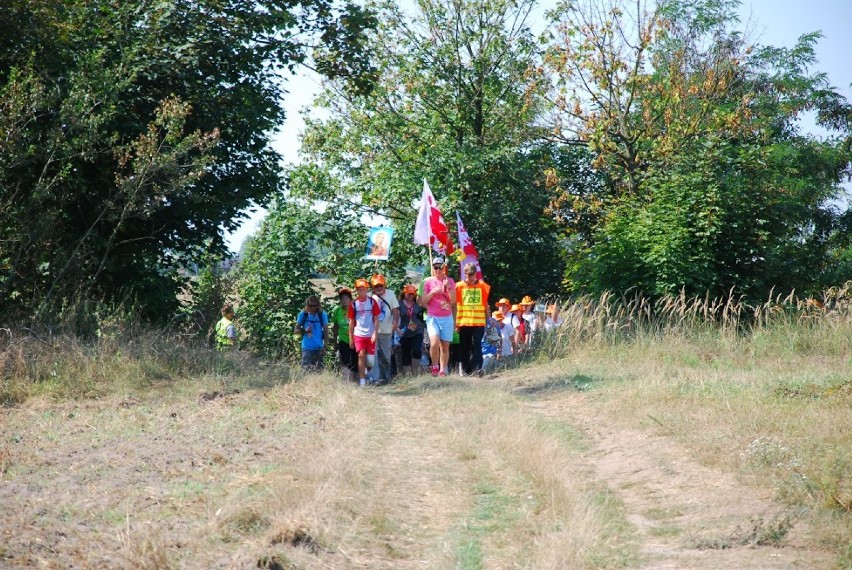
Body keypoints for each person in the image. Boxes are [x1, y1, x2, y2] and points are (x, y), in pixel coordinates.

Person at [419, 256, 456, 376]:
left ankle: (443, 369)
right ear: (433, 268)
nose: (438, 270)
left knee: (445, 346)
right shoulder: (428, 282)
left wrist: (449, 288)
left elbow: (454, 301)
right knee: (434, 343)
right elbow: (423, 302)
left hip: (446, 316)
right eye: (436, 268)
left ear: (444, 268)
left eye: (440, 267)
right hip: (433, 316)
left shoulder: (450, 281)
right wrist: (433, 292)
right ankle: (434, 366)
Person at [455, 262, 490, 375]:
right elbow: (455, 305)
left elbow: (485, 304)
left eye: (472, 274)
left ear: (476, 273)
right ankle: (466, 370)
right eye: (468, 275)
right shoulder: (459, 286)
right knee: (465, 346)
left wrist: (489, 320)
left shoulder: (483, 286)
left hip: (479, 322)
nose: (470, 277)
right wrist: (456, 323)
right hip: (464, 322)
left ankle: (477, 369)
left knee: (477, 345)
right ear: (464, 274)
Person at [349, 278, 381, 386]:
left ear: (367, 290)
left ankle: (367, 372)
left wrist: (375, 333)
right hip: (358, 334)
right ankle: (362, 381)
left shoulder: (372, 302)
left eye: (364, 290)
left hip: (370, 333)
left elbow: (376, 318)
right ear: (357, 291)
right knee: (361, 355)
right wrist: (350, 337)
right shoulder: (354, 304)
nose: (362, 292)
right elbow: (351, 321)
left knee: (370, 360)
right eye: (359, 290)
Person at [370, 273, 400, 384]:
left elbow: (395, 309)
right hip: (372, 330)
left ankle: (388, 377)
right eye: (376, 286)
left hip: (387, 329)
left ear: (384, 285)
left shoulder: (391, 294)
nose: (379, 288)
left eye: (381, 286)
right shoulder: (368, 296)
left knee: (387, 354)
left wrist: (395, 321)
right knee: (373, 355)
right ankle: (375, 378)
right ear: (372, 287)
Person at [295, 295, 329, 371]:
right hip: (307, 348)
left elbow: (326, 331)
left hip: (319, 347)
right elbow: (296, 331)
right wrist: (305, 331)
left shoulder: (322, 315)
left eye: (315, 305)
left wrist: (325, 346)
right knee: (305, 372)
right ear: (307, 305)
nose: (313, 307)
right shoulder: (303, 315)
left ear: (318, 305)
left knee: (319, 372)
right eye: (311, 305)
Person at [396, 284, 424, 376]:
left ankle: (416, 372)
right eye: (408, 294)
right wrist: (396, 329)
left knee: (417, 350)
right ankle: (407, 375)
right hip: (404, 332)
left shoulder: (417, 303)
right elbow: (395, 317)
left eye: (412, 294)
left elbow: (422, 315)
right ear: (404, 293)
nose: (410, 296)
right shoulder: (399, 304)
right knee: (406, 353)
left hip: (418, 330)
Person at [330, 287, 357, 382]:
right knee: (345, 360)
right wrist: (334, 340)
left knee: (355, 360)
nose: (344, 300)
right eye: (342, 298)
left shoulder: (355, 309)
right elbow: (335, 326)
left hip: (355, 339)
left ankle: (355, 380)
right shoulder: (337, 311)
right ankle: (346, 381)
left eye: (346, 298)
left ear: (350, 299)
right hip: (343, 339)